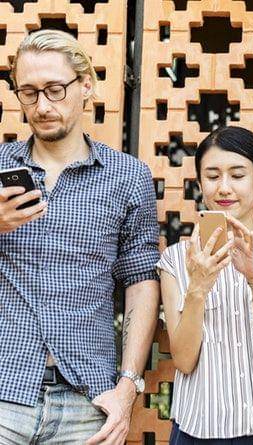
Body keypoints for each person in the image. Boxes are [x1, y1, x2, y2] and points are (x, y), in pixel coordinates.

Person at [0, 30, 159, 444]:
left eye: (55, 89)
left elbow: (141, 282)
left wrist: (127, 387)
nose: (42, 106)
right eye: (28, 93)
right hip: (4, 389)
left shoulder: (128, 177)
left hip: (87, 398)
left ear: (85, 85)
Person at [157, 126, 253, 444]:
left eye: (238, 175)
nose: (224, 188)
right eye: (212, 176)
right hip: (198, 424)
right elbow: (184, 360)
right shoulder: (175, 261)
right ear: (200, 183)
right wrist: (198, 287)